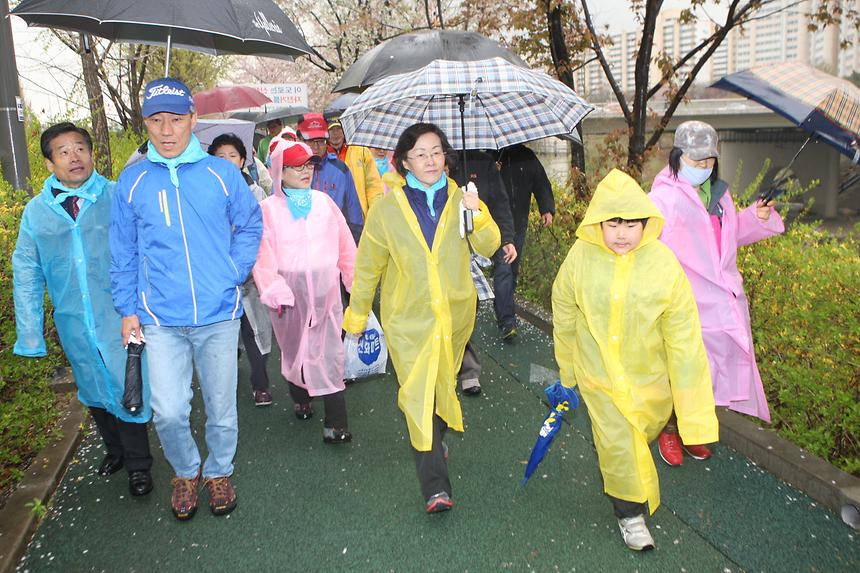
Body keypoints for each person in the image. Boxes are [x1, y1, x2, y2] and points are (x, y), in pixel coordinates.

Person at [110, 77, 262, 521]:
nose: (167, 130)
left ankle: (218, 471)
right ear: (146, 124)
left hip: (218, 314)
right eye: (156, 121)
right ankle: (185, 470)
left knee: (221, 406)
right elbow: (122, 250)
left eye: (176, 119)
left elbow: (250, 225)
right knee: (169, 410)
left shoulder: (222, 173)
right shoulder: (133, 181)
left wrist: (233, 273)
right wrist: (127, 309)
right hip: (160, 318)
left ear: (193, 121)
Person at [552, 168, 718, 551]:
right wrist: (568, 366)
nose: (622, 234)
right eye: (613, 223)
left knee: (632, 437)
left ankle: (622, 479)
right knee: (618, 443)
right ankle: (630, 516)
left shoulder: (663, 264)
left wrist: (692, 408)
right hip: (599, 378)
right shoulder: (581, 256)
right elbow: (563, 305)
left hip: (648, 381)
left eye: (631, 224)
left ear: (647, 223)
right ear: (598, 223)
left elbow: (683, 336)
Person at [343, 123, 501, 513]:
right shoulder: (386, 210)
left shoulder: (463, 198)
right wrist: (357, 316)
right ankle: (435, 487)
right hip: (407, 320)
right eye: (420, 154)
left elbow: (490, 245)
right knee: (418, 394)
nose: (431, 160)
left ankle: (437, 433)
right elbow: (368, 268)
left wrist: (476, 214)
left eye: (436, 151)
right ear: (404, 162)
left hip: (455, 315)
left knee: (441, 384)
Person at [13, 122, 154, 497]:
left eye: (80, 148)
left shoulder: (116, 195)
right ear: (48, 163)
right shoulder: (36, 213)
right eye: (63, 151)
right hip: (73, 319)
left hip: (121, 313)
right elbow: (26, 271)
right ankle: (115, 450)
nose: (74, 156)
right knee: (92, 387)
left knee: (131, 385)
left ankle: (140, 465)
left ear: (92, 154)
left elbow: (145, 250)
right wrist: (29, 333)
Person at [649, 120, 784, 466]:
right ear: (678, 156)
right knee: (679, 369)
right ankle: (669, 429)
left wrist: (757, 216)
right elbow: (648, 248)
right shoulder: (663, 197)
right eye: (697, 161)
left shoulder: (720, 194)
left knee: (709, 373)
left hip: (722, 299)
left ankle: (694, 430)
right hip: (685, 298)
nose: (704, 167)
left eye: (709, 160)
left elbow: (728, 238)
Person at [253, 140, 357, 443]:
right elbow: (262, 254)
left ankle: (336, 424)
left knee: (330, 354)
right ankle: (300, 394)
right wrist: (273, 288)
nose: (304, 170)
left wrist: (354, 279)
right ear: (279, 171)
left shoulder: (324, 202)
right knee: (295, 348)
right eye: (295, 165)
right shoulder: (267, 210)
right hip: (289, 297)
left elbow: (345, 245)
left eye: (308, 164)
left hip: (326, 292)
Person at [208, 133, 274, 407]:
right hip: (214, 276)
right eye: (219, 157)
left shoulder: (254, 192)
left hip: (249, 274)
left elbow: (260, 233)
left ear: (243, 160)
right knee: (221, 335)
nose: (226, 162)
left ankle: (260, 385)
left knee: (254, 329)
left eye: (232, 156)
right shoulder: (202, 194)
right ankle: (224, 385)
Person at [451, 150, 517, 396]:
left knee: (467, 314)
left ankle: (468, 371)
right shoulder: (433, 166)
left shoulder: (484, 163)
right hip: (439, 256)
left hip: (473, 249)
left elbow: (500, 202)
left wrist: (507, 238)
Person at [495, 143, 555, 339]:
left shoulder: (527, 156)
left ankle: (504, 305)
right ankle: (507, 320)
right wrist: (493, 171)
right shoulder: (492, 156)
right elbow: (480, 187)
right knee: (504, 269)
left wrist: (546, 208)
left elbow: (540, 182)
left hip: (519, 224)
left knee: (512, 271)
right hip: (497, 227)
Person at [297, 113, 364, 244]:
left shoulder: (341, 170)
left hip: (334, 242)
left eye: (321, 141)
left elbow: (353, 212)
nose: (317, 147)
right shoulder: (288, 170)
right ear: (299, 139)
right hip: (299, 244)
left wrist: (355, 242)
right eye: (311, 141)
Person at [327, 118, 384, 214]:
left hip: (359, 214)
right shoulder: (323, 154)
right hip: (334, 214)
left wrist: (375, 211)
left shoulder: (361, 150)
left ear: (345, 131)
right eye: (332, 130)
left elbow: (373, 184)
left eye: (339, 129)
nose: (335, 134)